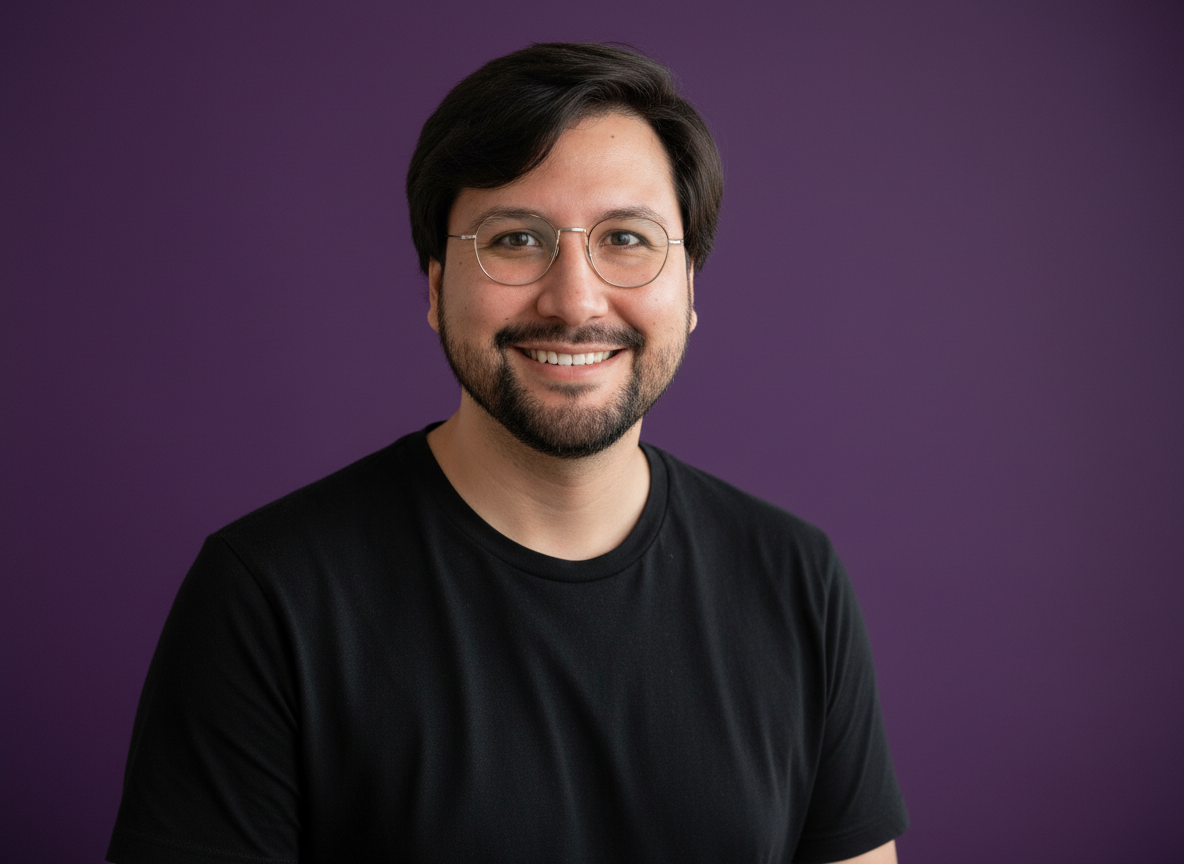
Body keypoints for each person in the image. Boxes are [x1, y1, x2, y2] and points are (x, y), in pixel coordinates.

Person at [107, 43, 908, 864]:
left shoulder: (795, 579)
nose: (574, 300)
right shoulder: (268, 595)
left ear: (691, 289)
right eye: (516, 239)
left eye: (627, 238)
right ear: (433, 287)